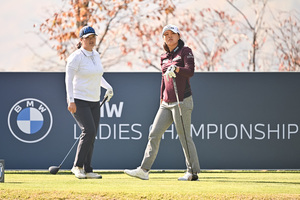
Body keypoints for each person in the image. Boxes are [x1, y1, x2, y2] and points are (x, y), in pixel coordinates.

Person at [124, 24, 200, 181]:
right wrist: (161, 98)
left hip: (182, 101)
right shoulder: (164, 57)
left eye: (172, 33)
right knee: (154, 133)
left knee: (184, 136)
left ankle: (192, 172)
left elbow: (190, 71)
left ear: (178, 36)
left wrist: (177, 69)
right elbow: (163, 80)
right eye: (166, 34)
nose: (169, 36)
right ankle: (144, 170)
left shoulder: (185, 52)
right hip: (166, 102)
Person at [65, 25, 114, 179]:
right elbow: (68, 79)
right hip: (79, 100)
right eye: (88, 38)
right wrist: (70, 100)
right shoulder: (76, 57)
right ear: (81, 40)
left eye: (93, 37)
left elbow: (97, 76)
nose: (92, 40)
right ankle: (77, 166)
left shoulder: (96, 55)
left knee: (92, 135)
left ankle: (88, 169)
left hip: (94, 100)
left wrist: (108, 87)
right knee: (89, 131)